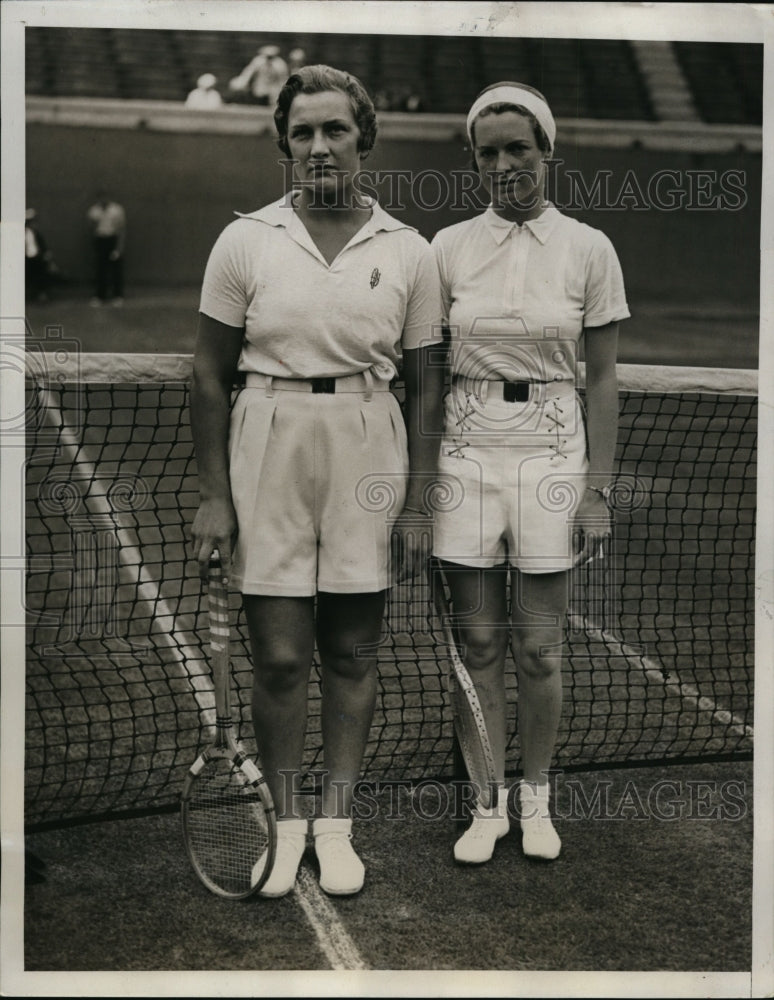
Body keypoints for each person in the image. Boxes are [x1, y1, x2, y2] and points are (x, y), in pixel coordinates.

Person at [190, 64, 444, 898]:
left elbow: (428, 385)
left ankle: (336, 829)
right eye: (303, 132)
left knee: (352, 649)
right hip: (268, 439)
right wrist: (216, 497)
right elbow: (207, 372)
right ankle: (285, 823)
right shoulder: (245, 240)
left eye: (335, 129)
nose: (320, 146)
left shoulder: (409, 251)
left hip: (369, 445)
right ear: (284, 146)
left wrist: (413, 507)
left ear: (364, 138)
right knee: (281, 657)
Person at [431, 82, 629, 864]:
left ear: (548, 152)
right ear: (475, 161)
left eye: (520, 148)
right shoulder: (446, 248)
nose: (506, 163)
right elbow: (425, 370)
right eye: (490, 152)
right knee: (477, 643)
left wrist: (598, 491)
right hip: (466, 452)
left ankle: (537, 799)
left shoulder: (589, 248)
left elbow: (605, 379)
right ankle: (486, 807)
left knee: (540, 649)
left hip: (553, 452)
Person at [86, 191, 126, 306]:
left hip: (113, 239)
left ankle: (118, 296)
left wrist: (119, 248)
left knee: (116, 269)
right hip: (100, 240)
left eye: (106, 197)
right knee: (100, 269)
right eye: (101, 198)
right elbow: (91, 228)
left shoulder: (117, 210)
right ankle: (100, 296)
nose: (103, 200)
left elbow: (122, 229)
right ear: (98, 198)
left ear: (109, 197)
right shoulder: (93, 211)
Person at [25, 208, 54, 302]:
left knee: (42, 268)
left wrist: (46, 255)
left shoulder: (36, 233)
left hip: (37, 258)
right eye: (30, 221)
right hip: (25, 259)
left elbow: (43, 247)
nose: (32, 224)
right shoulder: (20, 233)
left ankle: (41, 292)